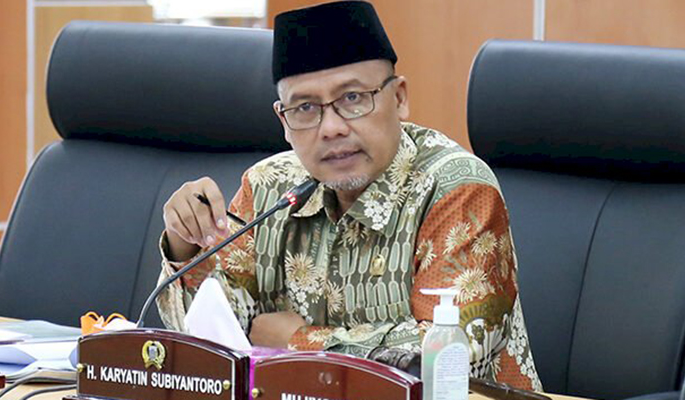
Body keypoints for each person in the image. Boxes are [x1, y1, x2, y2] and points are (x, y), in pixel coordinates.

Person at [156, 0, 542, 391]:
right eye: (305, 107)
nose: (331, 128)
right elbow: (211, 335)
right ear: (283, 122)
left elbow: (451, 356)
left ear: (399, 98)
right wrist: (186, 246)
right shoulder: (268, 187)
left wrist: (299, 342)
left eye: (353, 98)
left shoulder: (456, 190)